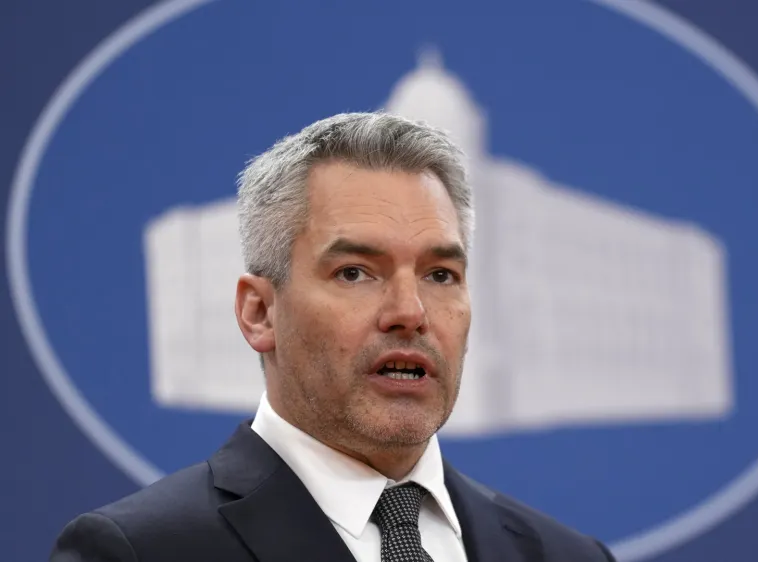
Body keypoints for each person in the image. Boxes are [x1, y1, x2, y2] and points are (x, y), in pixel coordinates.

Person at [50, 112, 616, 562]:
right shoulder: (139, 551)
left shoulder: (566, 554)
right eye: (355, 273)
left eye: (439, 274)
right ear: (259, 313)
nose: (410, 312)